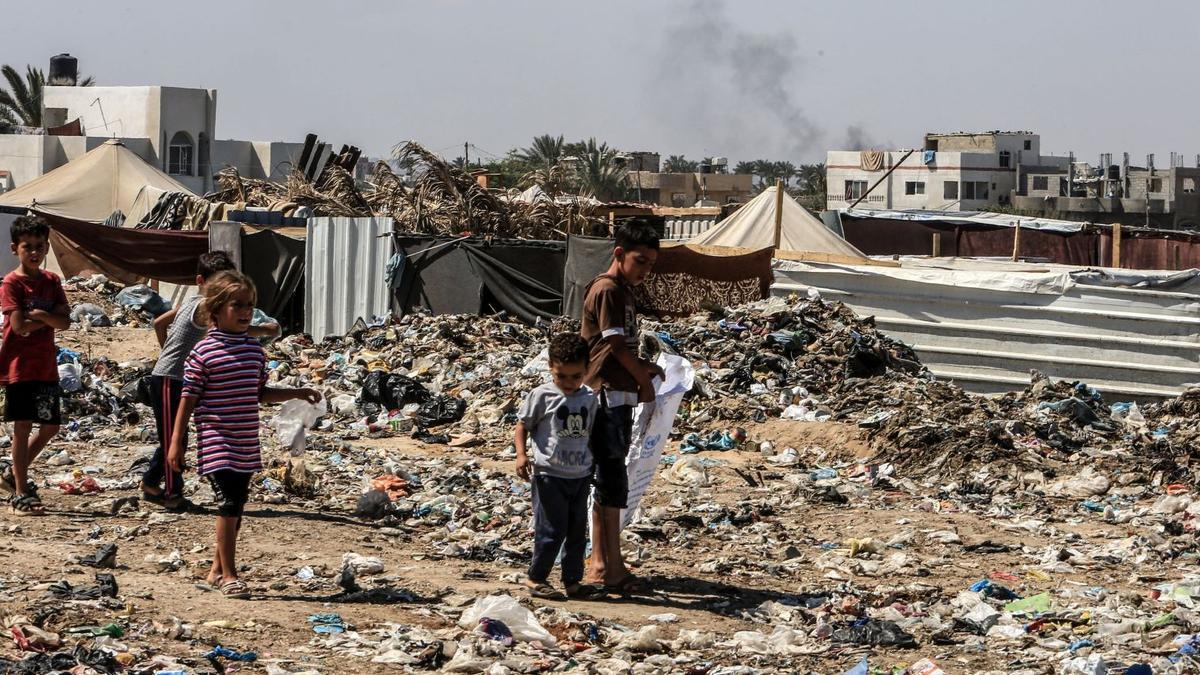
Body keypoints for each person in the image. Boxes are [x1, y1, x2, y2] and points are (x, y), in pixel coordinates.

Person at [167, 271, 318, 599]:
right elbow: (188, 398)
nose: (246, 311)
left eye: (250, 305)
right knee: (229, 503)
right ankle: (230, 576)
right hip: (216, 438)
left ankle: (216, 569)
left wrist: (298, 392)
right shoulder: (204, 352)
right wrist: (176, 441)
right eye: (237, 305)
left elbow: (259, 393)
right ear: (217, 309)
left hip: (245, 439)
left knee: (236, 506)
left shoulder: (253, 350)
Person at [142, 251, 279, 511]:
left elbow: (160, 323)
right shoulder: (203, 306)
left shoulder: (190, 302)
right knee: (174, 438)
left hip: (176, 375)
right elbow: (224, 328)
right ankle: (171, 493)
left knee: (174, 437)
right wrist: (262, 330)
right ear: (202, 282)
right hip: (172, 378)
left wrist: (169, 351)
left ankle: (151, 483)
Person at [579, 220, 663, 593]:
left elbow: (622, 348)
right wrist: (643, 381)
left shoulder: (625, 291)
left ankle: (607, 564)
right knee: (610, 481)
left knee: (611, 483)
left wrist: (645, 369)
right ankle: (603, 568)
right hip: (604, 396)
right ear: (619, 254)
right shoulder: (608, 290)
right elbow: (613, 346)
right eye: (639, 261)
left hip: (617, 395)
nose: (645, 270)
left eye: (650, 264)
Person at [515, 333, 603, 600]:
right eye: (561, 376)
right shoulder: (541, 395)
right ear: (551, 367)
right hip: (549, 475)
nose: (568, 383)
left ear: (586, 370)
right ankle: (536, 578)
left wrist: (593, 464)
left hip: (580, 474)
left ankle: (572, 581)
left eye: (576, 376)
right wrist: (521, 455)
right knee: (552, 529)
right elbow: (522, 426)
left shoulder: (589, 397)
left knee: (577, 530)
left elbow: (590, 433)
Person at [0, 215, 71, 515]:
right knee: (22, 427)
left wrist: (39, 318)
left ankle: (13, 473)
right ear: (15, 248)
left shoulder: (52, 281)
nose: (34, 252)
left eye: (39, 246)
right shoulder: (11, 283)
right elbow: (18, 326)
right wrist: (46, 316)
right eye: (27, 246)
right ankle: (20, 492)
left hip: (45, 366)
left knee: (51, 427)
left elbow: (65, 322)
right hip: (18, 367)